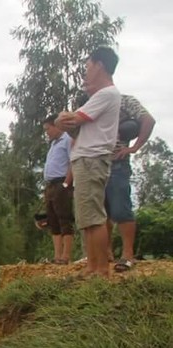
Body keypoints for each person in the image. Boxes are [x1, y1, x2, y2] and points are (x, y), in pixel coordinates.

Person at [55, 47, 121, 278]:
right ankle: (92, 267)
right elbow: (69, 124)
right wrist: (65, 120)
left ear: (100, 65)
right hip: (85, 158)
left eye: (88, 66)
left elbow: (72, 120)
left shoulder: (106, 94)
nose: (86, 71)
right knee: (87, 218)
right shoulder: (101, 97)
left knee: (94, 216)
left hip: (93, 158)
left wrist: (65, 116)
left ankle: (101, 269)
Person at [106, 95, 156, 272]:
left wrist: (134, 147)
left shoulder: (124, 101)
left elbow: (148, 120)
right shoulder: (89, 104)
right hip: (94, 164)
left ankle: (128, 254)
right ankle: (106, 253)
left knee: (121, 208)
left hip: (116, 162)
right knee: (101, 212)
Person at [41, 114, 75, 264]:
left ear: (56, 126)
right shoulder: (53, 144)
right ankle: (57, 255)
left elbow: (72, 162)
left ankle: (66, 255)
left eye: (48, 129)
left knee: (64, 218)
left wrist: (66, 184)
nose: (47, 132)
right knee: (52, 220)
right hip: (50, 185)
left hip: (62, 183)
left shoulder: (67, 140)